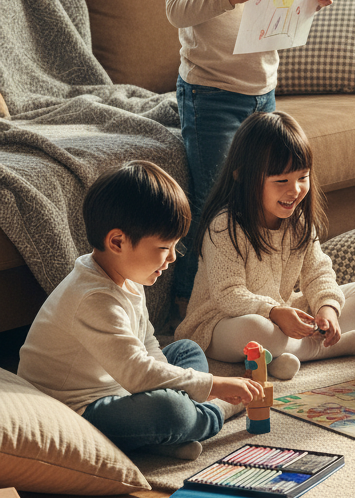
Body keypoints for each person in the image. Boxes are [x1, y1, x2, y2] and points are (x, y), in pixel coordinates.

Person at [166, 0, 334, 301]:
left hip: (262, 90)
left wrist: (307, 3)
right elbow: (177, 9)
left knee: (257, 204)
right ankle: (188, 300)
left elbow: (270, 18)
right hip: (212, 92)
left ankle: (254, 293)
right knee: (215, 204)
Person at [18, 161, 262, 461]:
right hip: (79, 410)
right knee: (173, 410)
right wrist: (215, 387)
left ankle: (165, 436)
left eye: (174, 246)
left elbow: (148, 348)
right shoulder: (93, 299)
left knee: (187, 350)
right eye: (163, 248)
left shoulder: (125, 274)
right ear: (118, 241)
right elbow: (139, 373)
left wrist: (172, 387)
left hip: (121, 384)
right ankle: (213, 414)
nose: (172, 258)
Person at [176, 112, 355, 380]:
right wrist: (273, 312)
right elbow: (228, 293)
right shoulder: (224, 225)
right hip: (221, 323)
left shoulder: (299, 222)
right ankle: (324, 349)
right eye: (281, 181)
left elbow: (318, 273)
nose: (295, 190)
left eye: (302, 177)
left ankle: (281, 357)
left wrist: (326, 309)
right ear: (242, 175)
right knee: (255, 329)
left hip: (283, 312)